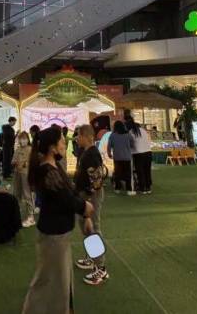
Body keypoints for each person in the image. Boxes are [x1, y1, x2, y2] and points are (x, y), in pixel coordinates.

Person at [22, 128, 94, 314]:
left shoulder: (54, 167)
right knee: (47, 281)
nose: (65, 143)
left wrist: (85, 212)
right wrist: (85, 208)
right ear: (52, 148)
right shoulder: (48, 172)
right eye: (62, 141)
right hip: (53, 236)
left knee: (61, 280)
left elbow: (69, 192)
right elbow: (66, 198)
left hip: (60, 234)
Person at [73, 124, 109, 285]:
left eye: (79, 135)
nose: (77, 138)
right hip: (84, 195)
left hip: (91, 196)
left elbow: (97, 180)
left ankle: (101, 267)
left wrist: (88, 200)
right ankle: (91, 257)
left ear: (86, 137)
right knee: (85, 227)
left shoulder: (92, 154)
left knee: (92, 229)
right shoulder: (85, 152)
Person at [13, 131, 36, 227]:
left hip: (26, 175)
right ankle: (16, 213)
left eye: (25, 138)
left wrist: (24, 164)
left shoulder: (30, 150)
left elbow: (33, 162)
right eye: (21, 138)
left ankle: (31, 217)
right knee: (16, 193)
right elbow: (13, 161)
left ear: (28, 139)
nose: (23, 140)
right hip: (17, 174)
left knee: (27, 195)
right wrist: (15, 163)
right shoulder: (17, 150)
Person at [126, 117, 154, 195]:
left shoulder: (131, 132)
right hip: (148, 152)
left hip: (138, 154)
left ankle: (142, 188)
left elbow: (131, 144)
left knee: (140, 171)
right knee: (147, 171)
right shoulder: (143, 130)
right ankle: (148, 187)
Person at [107, 121, 134, 195]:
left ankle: (117, 188)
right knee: (128, 174)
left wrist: (109, 154)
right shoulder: (128, 135)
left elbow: (109, 146)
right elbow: (132, 144)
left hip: (117, 157)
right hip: (127, 157)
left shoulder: (112, 135)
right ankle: (129, 189)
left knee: (117, 173)